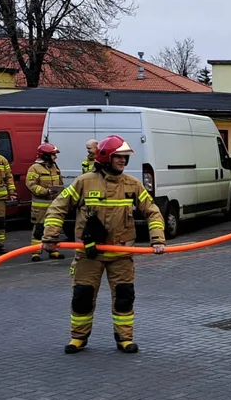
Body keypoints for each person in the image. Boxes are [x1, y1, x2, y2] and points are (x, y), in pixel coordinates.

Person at [41, 135, 166, 354]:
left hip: (121, 254)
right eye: (119, 157)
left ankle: (124, 339)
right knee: (82, 296)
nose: (123, 161)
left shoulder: (132, 184)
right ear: (106, 157)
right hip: (89, 254)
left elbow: (152, 211)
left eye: (125, 158)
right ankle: (78, 338)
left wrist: (157, 239)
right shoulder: (84, 182)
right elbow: (57, 207)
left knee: (124, 297)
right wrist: (50, 237)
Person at [26, 142, 65, 262]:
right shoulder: (34, 168)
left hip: (53, 204)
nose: (55, 157)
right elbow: (31, 185)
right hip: (40, 205)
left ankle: (53, 250)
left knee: (54, 227)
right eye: (53, 155)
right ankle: (36, 252)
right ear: (46, 155)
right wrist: (45, 191)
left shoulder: (54, 167)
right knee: (39, 228)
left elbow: (59, 182)